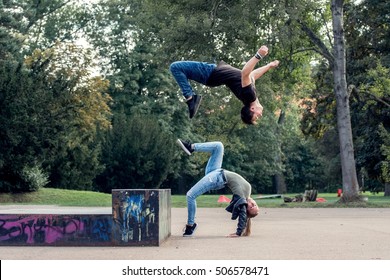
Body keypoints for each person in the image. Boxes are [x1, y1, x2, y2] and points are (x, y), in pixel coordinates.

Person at [169, 45, 280, 124]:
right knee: (177, 68)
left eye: (256, 117)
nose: (260, 115)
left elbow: (245, 73)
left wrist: (258, 56)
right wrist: (269, 65)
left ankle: (190, 98)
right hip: (212, 75)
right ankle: (191, 98)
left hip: (211, 73)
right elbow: (252, 75)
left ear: (252, 109)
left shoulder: (249, 96)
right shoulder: (251, 96)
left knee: (175, 67)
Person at [176, 139, 260, 237]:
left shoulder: (242, 199)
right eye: (255, 205)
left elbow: (242, 216)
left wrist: (238, 232)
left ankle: (190, 226)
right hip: (216, 170)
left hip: (217, 179)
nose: (252, 204)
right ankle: (191, 147)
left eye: (250, 207)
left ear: (246, 209)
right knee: (219, 146)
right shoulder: (248, 189)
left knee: (190, 195)